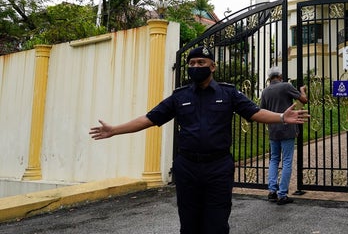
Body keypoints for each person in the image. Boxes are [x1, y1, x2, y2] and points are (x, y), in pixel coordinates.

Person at [89, 46, 310, 234]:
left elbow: (254, 112)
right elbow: (149, 119)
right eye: (192, 63)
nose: (196, 67)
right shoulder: (180, 96)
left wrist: (281, 117)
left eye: (201, 62)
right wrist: (115, 130)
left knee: (217, 223)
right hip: (187, 167)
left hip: (218, 167)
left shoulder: (228, 93)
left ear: (212, 66)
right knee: (189, 223)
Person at [259, 66, 308, 205]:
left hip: (273, 130)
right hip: (287, 129)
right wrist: (302, 90)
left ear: (269, 78)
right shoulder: (286, 86)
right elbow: (303, 100)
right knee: (287, 161)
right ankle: (282, 194)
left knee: (274, 159)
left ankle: (272, 191)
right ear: (280, 76)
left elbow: (262, 110)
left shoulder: (265, 91)